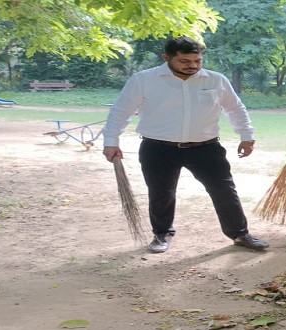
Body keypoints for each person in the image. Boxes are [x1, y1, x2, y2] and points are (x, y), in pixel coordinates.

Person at [101, 37, 268, 253]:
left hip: (206, 148)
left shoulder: (216, 80)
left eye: (197, 60)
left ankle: (240, 234)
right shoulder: (144, 79)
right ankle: (162, 234)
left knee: (224, 190)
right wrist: (111, 141)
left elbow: (235, 109)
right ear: (166, 58)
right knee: (161, 193)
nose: (193, 65)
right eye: (184, 61)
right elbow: (121, 111)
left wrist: (246, 135)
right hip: (158, 148)